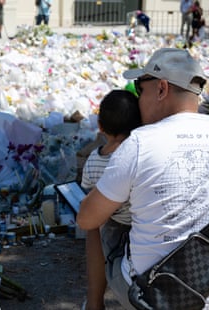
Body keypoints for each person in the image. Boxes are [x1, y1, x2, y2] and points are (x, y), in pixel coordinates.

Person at [77, 48, 209, 310]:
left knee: (103, 219)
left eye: (141, 90)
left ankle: (94, 305)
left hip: (149, 296)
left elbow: (86, 219)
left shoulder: (140, 143)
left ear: (161, 88)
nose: (138, 100)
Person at [81, 89, 141, 310]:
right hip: (139, 226)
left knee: (93, 230)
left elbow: (89, 198)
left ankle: (95, 301)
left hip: (112, 231)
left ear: (100, 126)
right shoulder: (139, 156)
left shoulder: (94, 160)